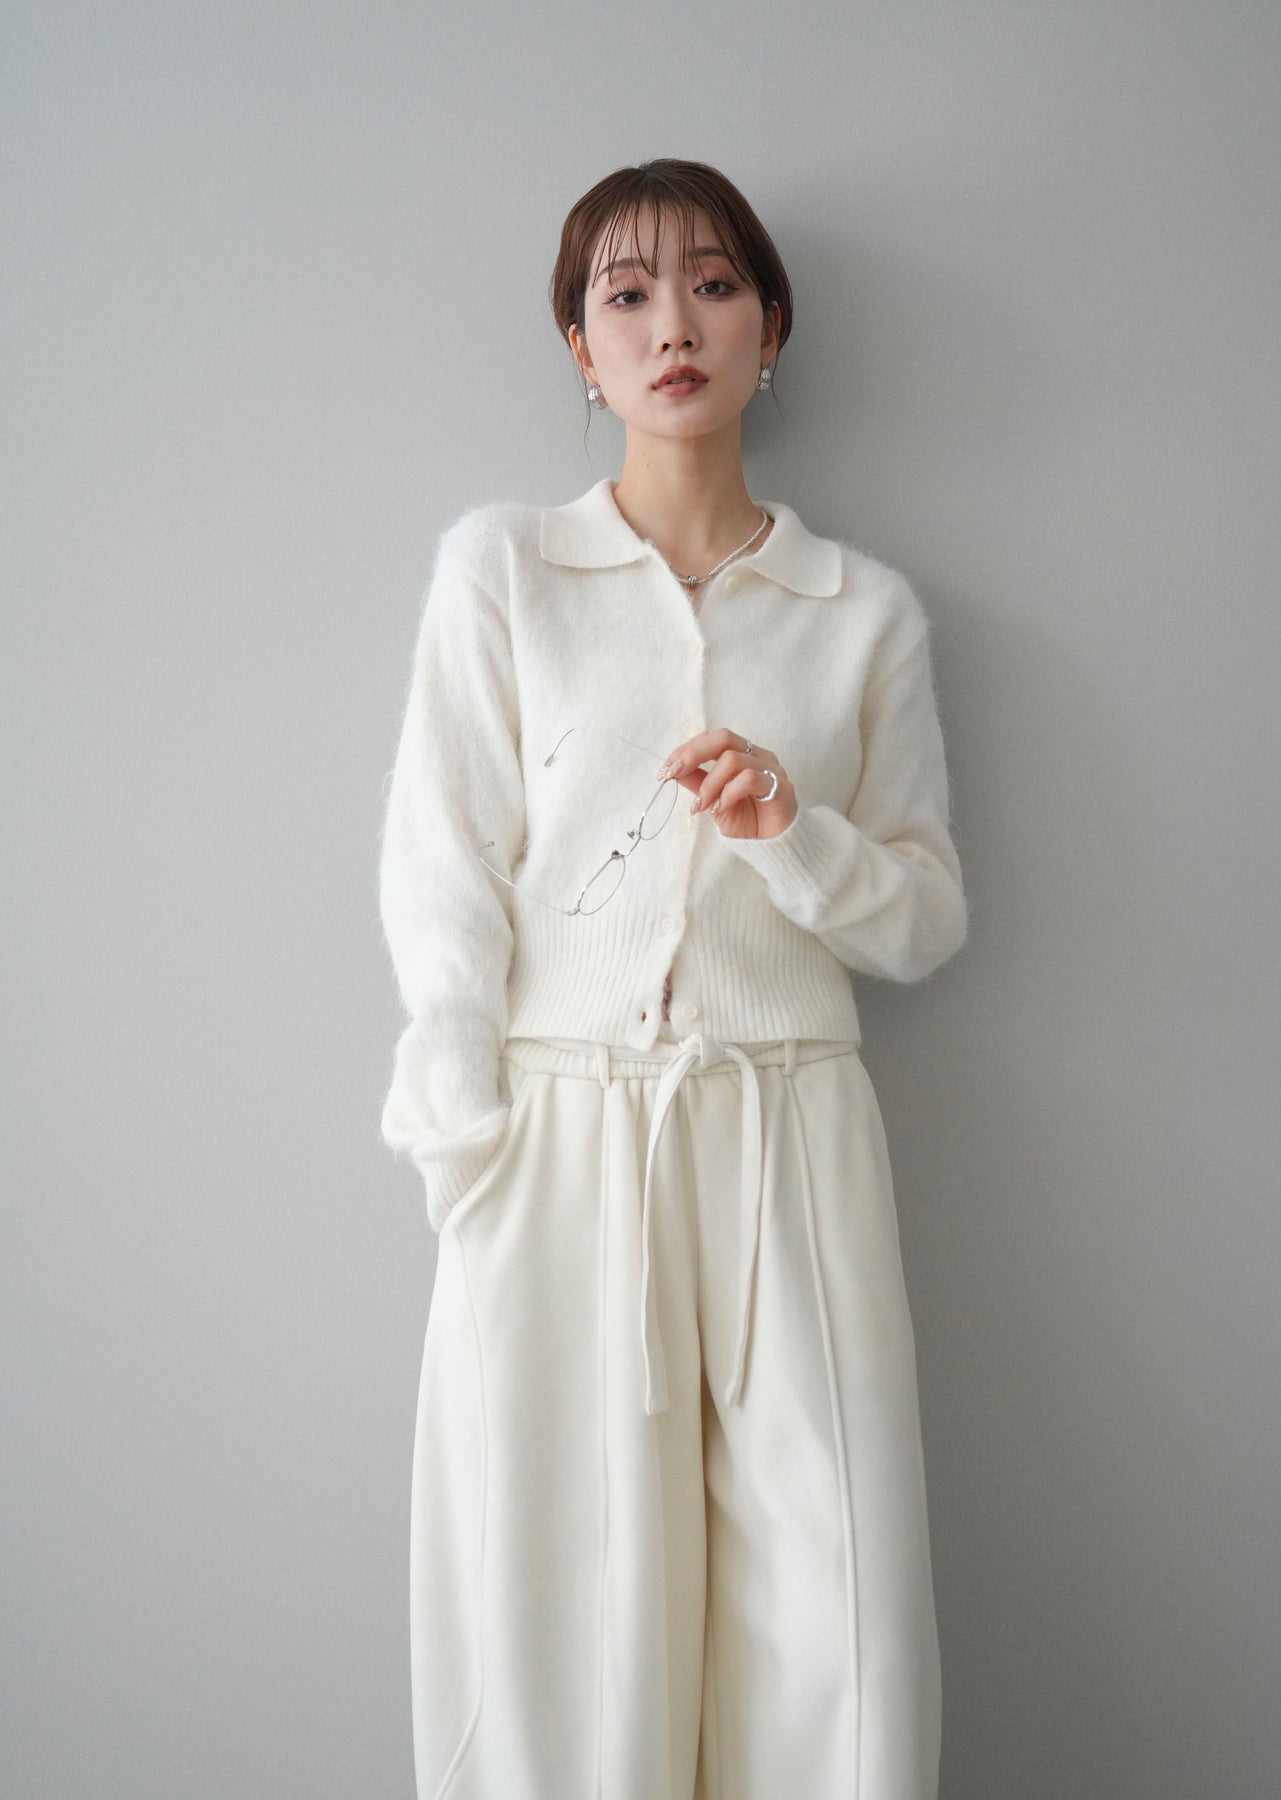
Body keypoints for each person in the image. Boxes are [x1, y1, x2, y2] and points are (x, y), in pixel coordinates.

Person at [377, 156, 969, 1800]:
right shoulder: (504, 573)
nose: (670, 327)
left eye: (710, 285)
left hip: (788, 1132)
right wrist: (464, 1139)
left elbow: (922, 920)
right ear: (580, 347)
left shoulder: (861, 612)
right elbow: (443, 869)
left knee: (833, 1599)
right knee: (559, 1601)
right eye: (624, 295)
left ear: (769, 327)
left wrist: (793, 833)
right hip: (557, 1137)